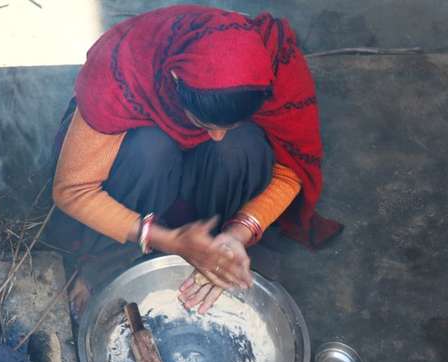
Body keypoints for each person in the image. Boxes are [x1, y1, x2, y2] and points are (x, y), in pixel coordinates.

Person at [47, 5, 342, 316]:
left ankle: (215, 249)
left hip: (211, 187)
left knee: (241, 145)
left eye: (230, 123)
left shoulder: (276, 63)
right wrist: (167, 240)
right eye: (205, 125)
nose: (215, 136)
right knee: (151, 148)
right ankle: (107, 265)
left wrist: (236, 235)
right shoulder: (121, 72)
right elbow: (73, 191)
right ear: (174, 80)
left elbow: (291, 170)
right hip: (145, 176)